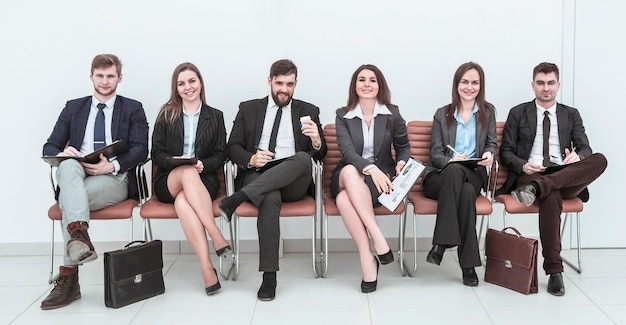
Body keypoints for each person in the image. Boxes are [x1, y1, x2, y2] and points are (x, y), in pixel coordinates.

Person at [41, 54, 149, 309]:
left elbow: (141, 149)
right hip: (78, 172)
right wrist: (63, 153)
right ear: (91, 76)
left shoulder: (133, 108)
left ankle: (69, 279)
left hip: (113, 177)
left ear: (119, 78)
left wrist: (112, 165)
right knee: (67, 166)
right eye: (99, 75)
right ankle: (80, 235)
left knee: (69, 199)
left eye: (110, 76)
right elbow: (50, 145)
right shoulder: (73, 107)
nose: (104, 81)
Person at [219, 59, 327, 301]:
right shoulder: (248, 109)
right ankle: (269, 277)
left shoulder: (309, 110)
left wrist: (317, 141)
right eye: (279, 83)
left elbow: (320, 154)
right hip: (259, 172)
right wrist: (251, 158)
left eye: (289, 84)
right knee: (269, 195)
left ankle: (237, 199)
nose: (284, 89)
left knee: (302, 158)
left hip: (293, 179)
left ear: (296, 84)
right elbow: (232, 148)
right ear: (269, 81)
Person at [497, 62, 607, 296]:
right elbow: (505, 152)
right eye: (540, 83)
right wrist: (524, 165)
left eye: (550, 83)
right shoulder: (518, 112)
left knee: (600, 159)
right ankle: (555, 271)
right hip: (530, 174)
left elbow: (585, 146)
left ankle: (539, 188)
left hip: (563, 174)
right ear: (533, 85)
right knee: (551, 194)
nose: (545, 88)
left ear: (558, 85)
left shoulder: (571, 114)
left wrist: (579, 155)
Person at [151, 62, 232, 295]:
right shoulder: (166, 113)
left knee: (183, 202)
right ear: (176, 88)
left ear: (200, 83)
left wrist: (203, 164)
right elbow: (155, 153)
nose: (188, 87)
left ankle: (207, 268)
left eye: (192, 81)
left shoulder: (215, 116)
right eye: (182, 83)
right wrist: (178, 160)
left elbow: (221, 154)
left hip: (203, 180)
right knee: (185, 171)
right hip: (170, 179)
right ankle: (216, 234)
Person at [330, 64, 410, 293]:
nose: (367, 84)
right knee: (348, 171)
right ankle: (378, 237)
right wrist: (370, 169)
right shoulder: (342, 115)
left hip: (380, 182)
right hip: (348, 175)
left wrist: (401, 163)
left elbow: (403, 148)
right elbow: (347, 153)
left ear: (379, 85)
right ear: (354, 86)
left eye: (372, 80)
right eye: (362, 80)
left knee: (344, 200)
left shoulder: (392, 114)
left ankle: (367, 258)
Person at [422, 62, 496, 287]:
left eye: (475, 82)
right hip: (440, 175)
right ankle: (468, 266)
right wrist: (451, 160)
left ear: (480, 86)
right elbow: (435, 154)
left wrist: (489, 154)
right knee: (462, 188)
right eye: (465, 82)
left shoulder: (488, 111)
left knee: (464, 186)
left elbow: (492, 144)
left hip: (473, 173)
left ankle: (441, 244)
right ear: (456, 85)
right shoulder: (442, 114)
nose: (469, 87)